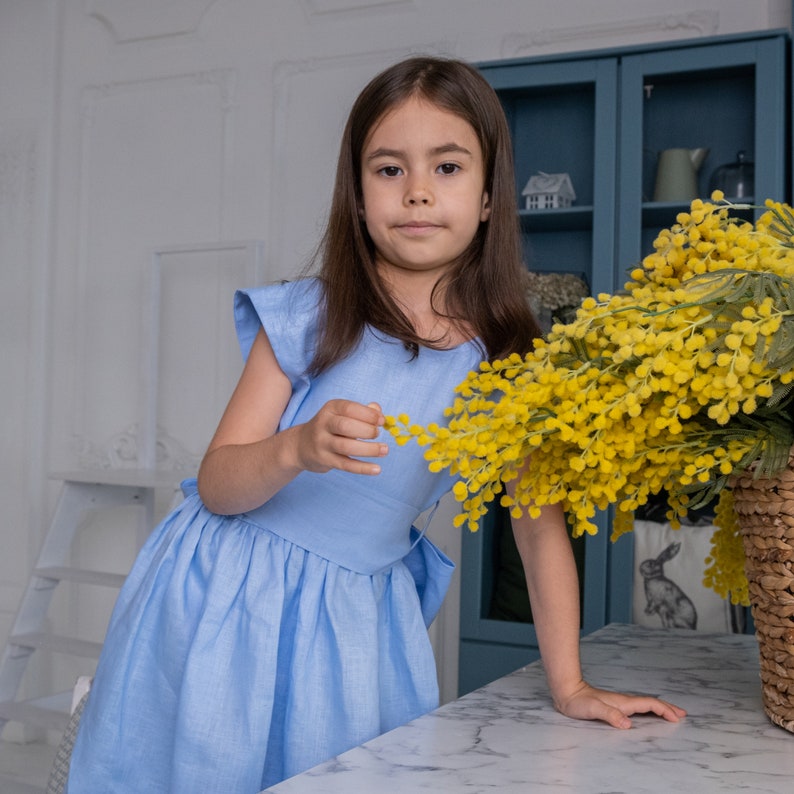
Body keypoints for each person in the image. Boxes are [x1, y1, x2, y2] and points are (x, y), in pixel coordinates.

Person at [65, 55, 685, 793]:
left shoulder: (510, 361)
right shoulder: (311, 313)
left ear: (490, 195)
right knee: (200, 767)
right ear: (357, 196)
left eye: (448, 167)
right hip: (228, 597)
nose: (418, 191)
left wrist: (571, 683)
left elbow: (537, 524)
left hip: (354, 621)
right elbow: (219, 483)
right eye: (388, 170)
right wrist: (295, 447)